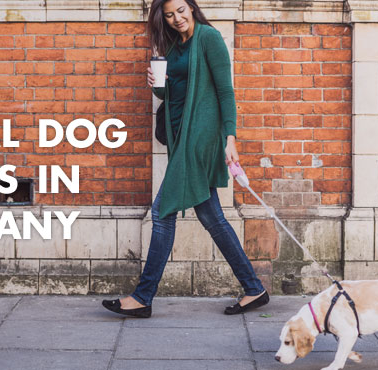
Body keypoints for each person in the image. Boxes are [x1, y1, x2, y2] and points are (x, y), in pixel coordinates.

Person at [102, 0, 268, 318]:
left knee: (162, 212)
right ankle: (253, 288)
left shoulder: (208, 38)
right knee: (212, 218)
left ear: (191, 8)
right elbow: (172, 94)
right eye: (168, 15)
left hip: (200, 138)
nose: (176, 18)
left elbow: (225, 91)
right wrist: (158, 85)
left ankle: (143, 296)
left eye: (180, 10)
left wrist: (230, 138)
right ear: (162, 19)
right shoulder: (175, 48)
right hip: (181, 139)